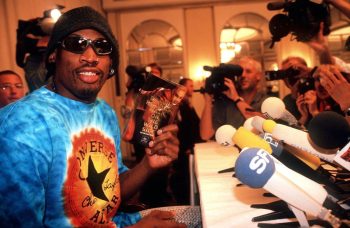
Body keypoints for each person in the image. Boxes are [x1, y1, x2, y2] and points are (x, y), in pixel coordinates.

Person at [0, 7, 187, 227]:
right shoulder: (20, 125)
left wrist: (148, 164)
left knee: (204, 216)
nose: (90, 57)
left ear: (111, 66)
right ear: (53, 55)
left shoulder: (104, 112)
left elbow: (108, 193)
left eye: (102, 47)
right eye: (76, 44)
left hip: (118, 221)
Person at [200, 56, 268, 140]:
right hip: (231, 152)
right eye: (240, 72)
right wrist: (208, 101)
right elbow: (205, 135)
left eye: (248, 71)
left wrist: (236, 98)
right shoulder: (226, 101)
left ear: (258, 76)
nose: (242, 75)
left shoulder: (266, 102)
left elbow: (263, 126)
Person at [170, 78, 203, 205]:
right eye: (190, 85)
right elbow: (182, 128)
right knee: (183, 176)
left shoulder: (188, 103)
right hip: (184, 148)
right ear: (182, 88)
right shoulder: (179, 105)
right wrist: (188, 146)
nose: (192, 88)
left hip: (190, 146)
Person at [280, 56, 311, 122]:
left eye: (295, 71)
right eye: (286, 73)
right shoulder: (285, 103)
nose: (291, 76)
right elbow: (289, 130)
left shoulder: (321, 93)